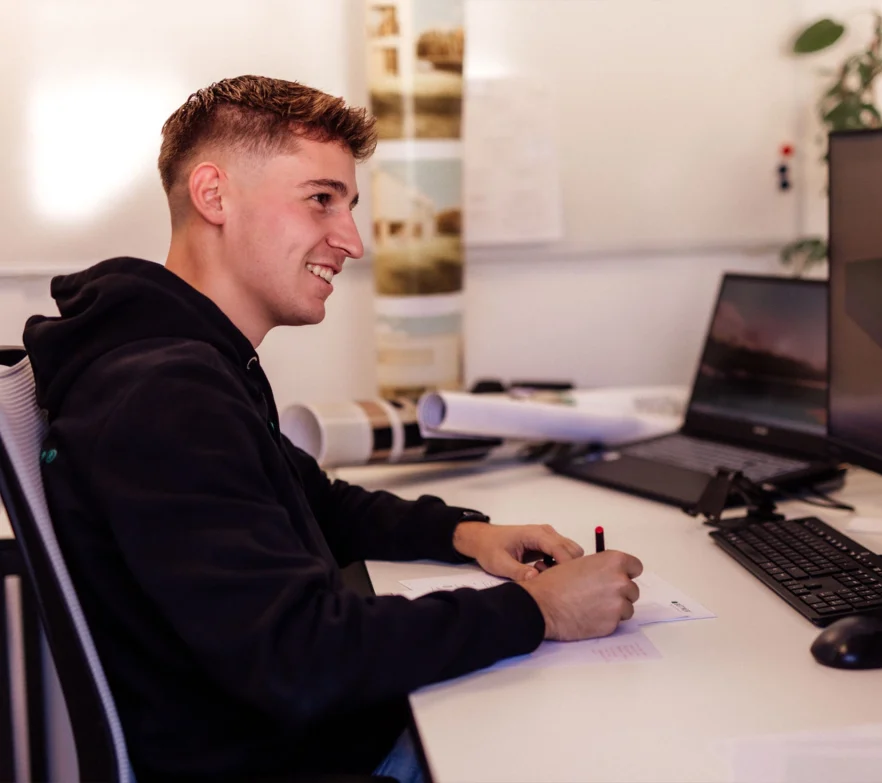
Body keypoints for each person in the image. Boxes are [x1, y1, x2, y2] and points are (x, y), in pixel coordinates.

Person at [21, 75, 643, 783]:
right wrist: (536, 610)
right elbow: (299, 655)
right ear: (214, 195)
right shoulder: (164, 393)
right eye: (321, 199)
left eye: (349, 205)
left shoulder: (186, 354)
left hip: (316, 737)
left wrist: (464, 533)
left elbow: (313, 500)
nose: (350, 239)